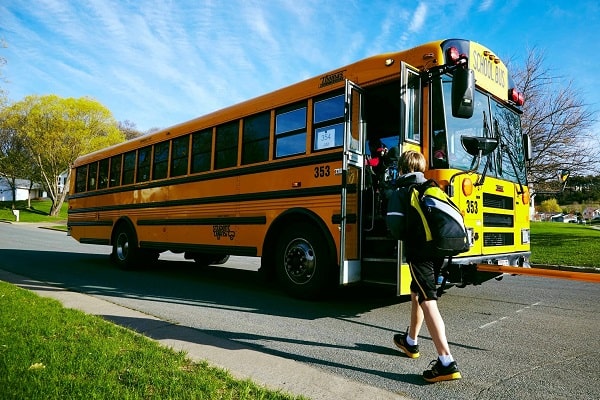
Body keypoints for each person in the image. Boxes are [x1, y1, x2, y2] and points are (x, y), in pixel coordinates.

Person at [392, 149, 462, 383]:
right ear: (422, 168)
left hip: (419, 252)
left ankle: (446, 362)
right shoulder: (431, 187)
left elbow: (395, 227)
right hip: (438, 251)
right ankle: (411, 342)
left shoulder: (405, 189)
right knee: (416, 293)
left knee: (427, 299)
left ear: (402, 168)